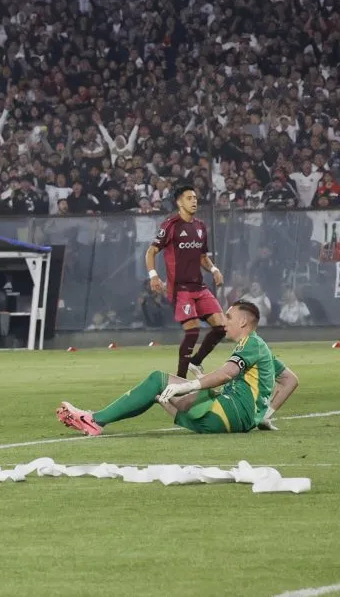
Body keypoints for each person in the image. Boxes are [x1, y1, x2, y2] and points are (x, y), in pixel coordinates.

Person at [57, 301, 274, 436]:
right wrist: (263, 415)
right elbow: (289, 379)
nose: (224, 321)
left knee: (157, 381)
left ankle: (93, 420)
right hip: (236, 417)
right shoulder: (260, 347)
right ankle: (95, 419)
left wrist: (191, 384)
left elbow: (227, 373)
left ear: (243, 321)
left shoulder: (250, 344)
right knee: (158, 390)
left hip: (229, 413)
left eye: (229, 316)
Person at [146, 184, 227, 378]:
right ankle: (180, 379)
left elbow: (202, 257)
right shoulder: (170, 225)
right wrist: (153, 275)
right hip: (179, 289)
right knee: (193, 330)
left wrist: (214, 269)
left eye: (195, 198)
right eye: (189, 198)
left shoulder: (200, 226)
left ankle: (196, 362)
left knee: (221, 327)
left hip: (199, 287)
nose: (194, 201)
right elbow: (151, 251)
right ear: (179, 202)